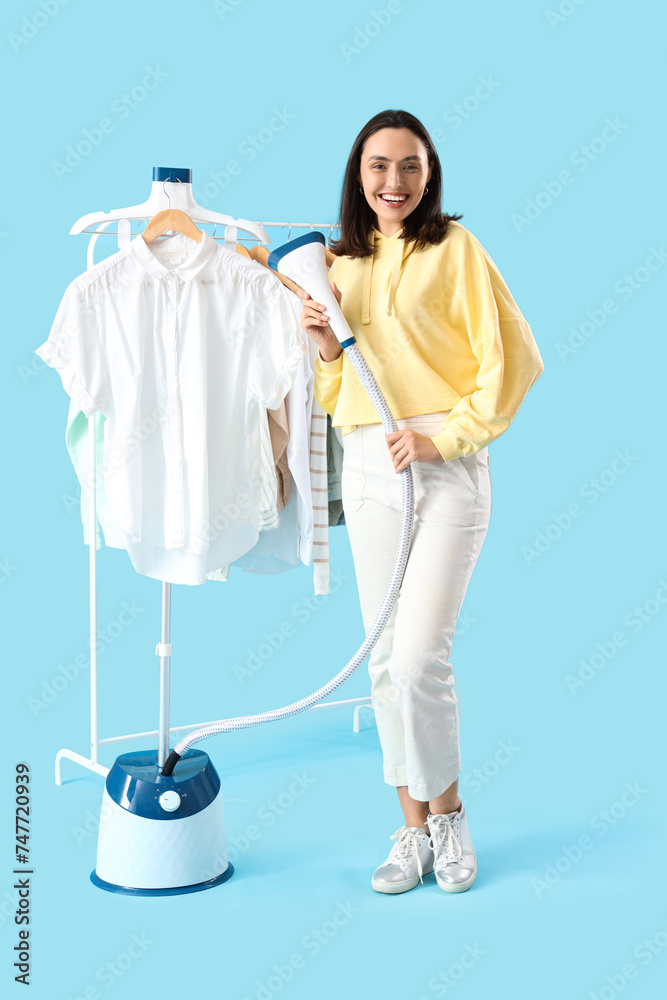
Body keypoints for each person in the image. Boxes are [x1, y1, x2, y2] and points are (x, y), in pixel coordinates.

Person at [297, 109, 544, 895]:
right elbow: (337, 396)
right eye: (378, 165)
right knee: (381, 662)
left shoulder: (455, 249)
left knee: (417, 658)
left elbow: (514, 359)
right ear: (357, 174)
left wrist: (447, 439)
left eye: (409, 165)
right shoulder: (340, 263)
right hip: (368, 462)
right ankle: (411, 832)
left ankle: (450, 818)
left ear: (429, 172)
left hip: (442, 464)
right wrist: (326, 350)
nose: (393, 181)